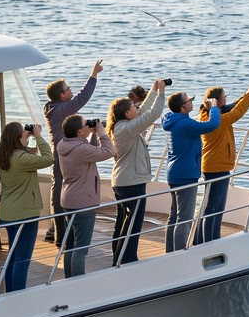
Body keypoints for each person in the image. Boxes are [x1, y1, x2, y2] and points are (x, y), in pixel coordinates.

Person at [43, 58, 103, 246]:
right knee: (61, 189)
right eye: (68, 88)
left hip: (61, 152)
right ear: (62, 95)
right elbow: (82, 97)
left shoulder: (52, 107)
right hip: (65, 154)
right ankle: (62, 236)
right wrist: (93, 75)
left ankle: (55, 230)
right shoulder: (61, 109)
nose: (71, 90)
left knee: (58, 188)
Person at [108, 79, 166, 264]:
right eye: (133, 106)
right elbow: (152, 114)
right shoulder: (128, 129)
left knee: (124, 222)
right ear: (126, 113)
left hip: (123, 181)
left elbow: (142, 112)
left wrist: (154, 90)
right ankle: (127, 259)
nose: (136, 107)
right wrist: (161, 93)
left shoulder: (122, 126)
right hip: (131, 182)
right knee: (133, 224)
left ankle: (119, 257)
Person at [197, 83, 249, 243]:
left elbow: (232, 107)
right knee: (215, 208)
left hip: (213, 165)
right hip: (217, 167)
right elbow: (237, 112)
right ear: (217, 101)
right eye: (224, 96)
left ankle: (201, 239)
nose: (227, 98)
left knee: (210, 206)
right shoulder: (218, 121)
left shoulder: (208, 114)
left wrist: (246, 94)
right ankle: (210, 241)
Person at [0, 122, 53, 292]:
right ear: (17, 138)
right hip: (24, 215)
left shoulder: (4, 155)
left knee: (12, 257)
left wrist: (26, 138)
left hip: (8, 213)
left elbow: (28, 154)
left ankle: (10, 294)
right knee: (22, 258)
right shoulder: (21, 158)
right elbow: (49, 158)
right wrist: (38, 135)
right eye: (23, 133)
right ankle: (18, 296)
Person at [161, 92, 219, 253]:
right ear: (183, 107)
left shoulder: (171, 121)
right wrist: (214, 108)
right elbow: (211, 125)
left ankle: (170, 252)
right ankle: (179, 254)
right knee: (184, 218)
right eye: (189, 100)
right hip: (186, 174)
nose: (192, 101)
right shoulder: (184, 125)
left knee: (174, 216)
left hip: (174, 173)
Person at [58, 115, 115, 277]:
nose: (87, 125)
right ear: (78, 131)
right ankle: (78, 282)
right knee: (81, 248)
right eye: (85, 124)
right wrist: (102, 133)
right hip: (83, 202)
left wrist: (92, 133)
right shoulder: (82, 150)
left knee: (71, 245)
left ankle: (69, 279)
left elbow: (89, 151)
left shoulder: (63, 145)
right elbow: (109, 151)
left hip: (68, 199)